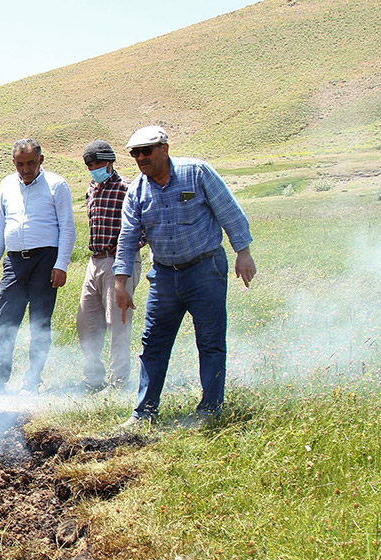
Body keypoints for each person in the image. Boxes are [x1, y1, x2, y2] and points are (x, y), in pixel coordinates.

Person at [114, 125, 256, 426]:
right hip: (164, 275)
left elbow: (228, 210)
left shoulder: (197, 173)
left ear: (164, 148)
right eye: (135, 154)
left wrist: (243, 252)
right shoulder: (137, 190)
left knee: (210, 340)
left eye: (146, 151)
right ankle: (144, 412)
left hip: (205, 268)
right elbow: (127, 238)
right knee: (153, 343)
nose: (140, 158)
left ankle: (210, 408)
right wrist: (120, 283)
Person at [0, 139, 76, 394]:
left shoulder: (57, 184)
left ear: (41, 161)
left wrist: (61, 264)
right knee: (5, 323)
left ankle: (32, 382)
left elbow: (67, 227)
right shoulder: (6, 185)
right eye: (20, 164)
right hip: (13, 261)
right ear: (13, 163)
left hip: (45, 260)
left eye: (31, 163)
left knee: (39, 323)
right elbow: (0, 226)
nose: (25, 169)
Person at [76, 140, 144, 393]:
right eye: (90, 165)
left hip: (120, 262)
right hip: (94, 260)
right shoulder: (91, 189)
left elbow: (144, 227)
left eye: (99, 164)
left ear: (111, 162)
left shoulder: (128, 188)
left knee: (118, 322)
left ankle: (118, 382)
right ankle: (93, 377)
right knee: (86, 320)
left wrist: (124, 251)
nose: (95, 169)